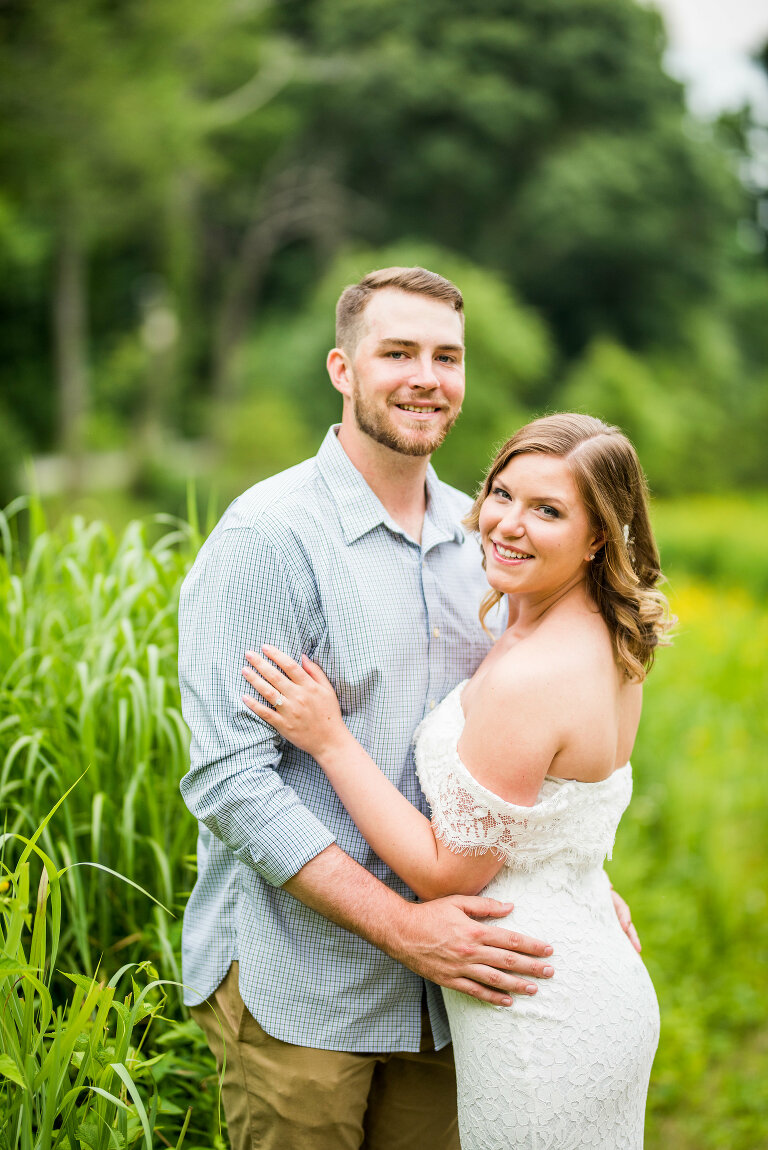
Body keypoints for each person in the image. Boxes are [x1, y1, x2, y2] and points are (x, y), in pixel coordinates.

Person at [178, 268, 637, 1150]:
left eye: (447, 357)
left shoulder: (487, 540)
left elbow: (528, 756)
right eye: (398, 353)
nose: (427, 377)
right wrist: (402, 928)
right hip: (305, 986)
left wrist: (572, 881)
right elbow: (232, 780)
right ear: (343, 369)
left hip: (458, 994)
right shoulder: (268, 539)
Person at [241, 412, 673, 1150]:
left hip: (536, 1006)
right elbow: (561, 811)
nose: (506, 524)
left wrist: (329, 738)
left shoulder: (532, 674)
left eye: (548, 511)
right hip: (584, 962)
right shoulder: (605, 632)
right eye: (502, 493)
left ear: (599, 534)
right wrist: (579, 884)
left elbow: (449, 873)